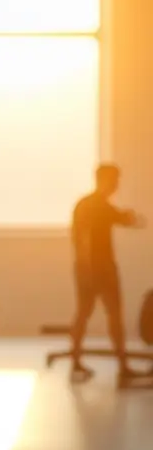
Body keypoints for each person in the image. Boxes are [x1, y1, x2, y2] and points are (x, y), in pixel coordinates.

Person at [68, 163, 146, 382]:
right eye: (114, 180)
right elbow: (82, 238)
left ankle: (86, 363)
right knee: (100, 314)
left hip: (94, 267)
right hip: (97, 268)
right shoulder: (93, 206)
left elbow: (126, 220)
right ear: (105, 180)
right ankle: (117, 366)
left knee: (91, 314)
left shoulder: (97, 206)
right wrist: (88, 268)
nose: (116, 185)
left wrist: (131, 217)